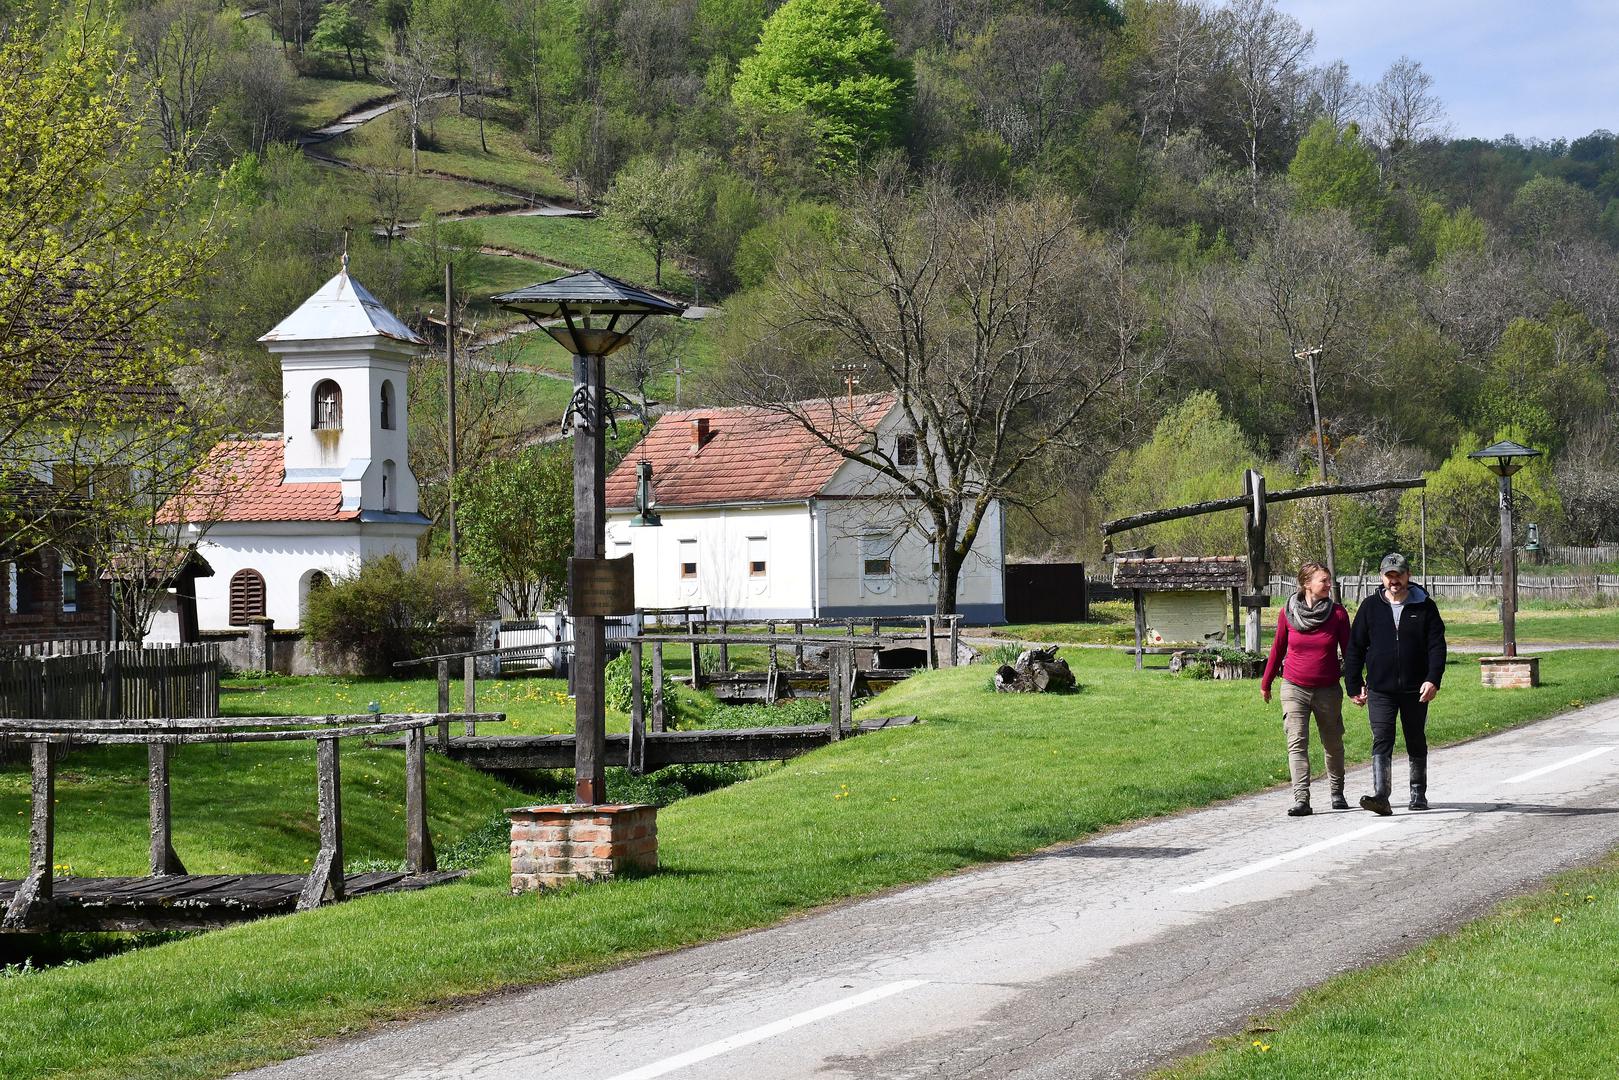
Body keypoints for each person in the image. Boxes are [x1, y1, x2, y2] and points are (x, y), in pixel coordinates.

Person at [1344, 553, 1448, 815]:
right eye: (1389, 576)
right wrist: (1354, 684)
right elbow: (1355, 648)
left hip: (1416, 688)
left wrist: (1433, 679)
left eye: (1399, 575)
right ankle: (1381, 795)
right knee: (1382, 739)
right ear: (1382, 577)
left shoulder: (1425, 605)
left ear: (1408, 575)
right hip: (1380, 688)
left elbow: (1437, 647)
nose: (1394, 581)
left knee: (1415, 738)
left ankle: (1417, 793)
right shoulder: (1370, 607)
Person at [1261, 562, 1351, 817]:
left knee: (1332, 743)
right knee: (1296, 743)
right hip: (1294, 688)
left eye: (1329, 580)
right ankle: (1302, 799)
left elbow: (1350, 653)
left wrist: (1357, 685)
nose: (1329, 585)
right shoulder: (1287, 613)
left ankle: (1337, 793)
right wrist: (1266, 683)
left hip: (1328, 689)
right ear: (1307, 583)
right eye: (1323, 580)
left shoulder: (1338, 614)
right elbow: (1278, 650)